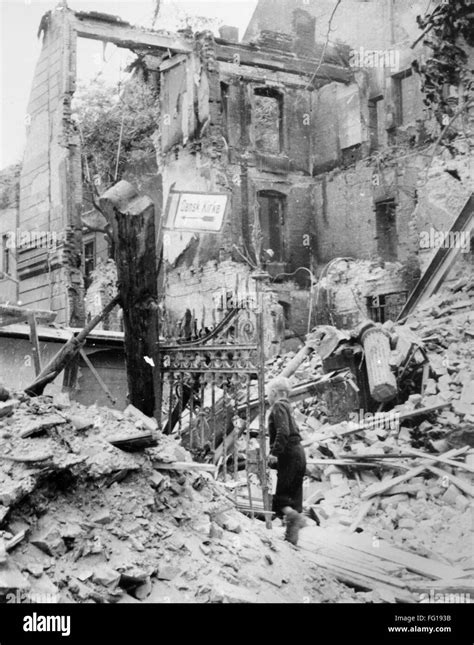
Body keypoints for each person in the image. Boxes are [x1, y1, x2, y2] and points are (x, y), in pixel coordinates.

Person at [267, 377, 306, 545]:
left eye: (268, 394)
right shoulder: (288, 407)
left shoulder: (278, 406)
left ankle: (293, 518)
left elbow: (283, 431)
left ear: (275, 393)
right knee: (294, 495)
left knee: (280, 497)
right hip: (299, 453)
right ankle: (292, 537)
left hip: (289, 454)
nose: (268, 398)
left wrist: (274, 453)